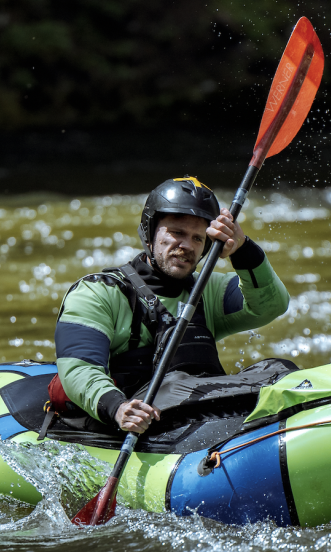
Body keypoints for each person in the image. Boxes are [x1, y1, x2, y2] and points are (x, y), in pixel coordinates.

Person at [53, 176, 290, 435]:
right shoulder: (98, 292)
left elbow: (271, 305)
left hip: (198, 418)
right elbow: (80, 368)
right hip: (134, 424)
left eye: (198, 238)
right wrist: (118, 408)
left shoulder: (206, 290)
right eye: (177, 233)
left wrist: (243, 249)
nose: (187, 245)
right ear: (150, 231)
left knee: (282, 371)